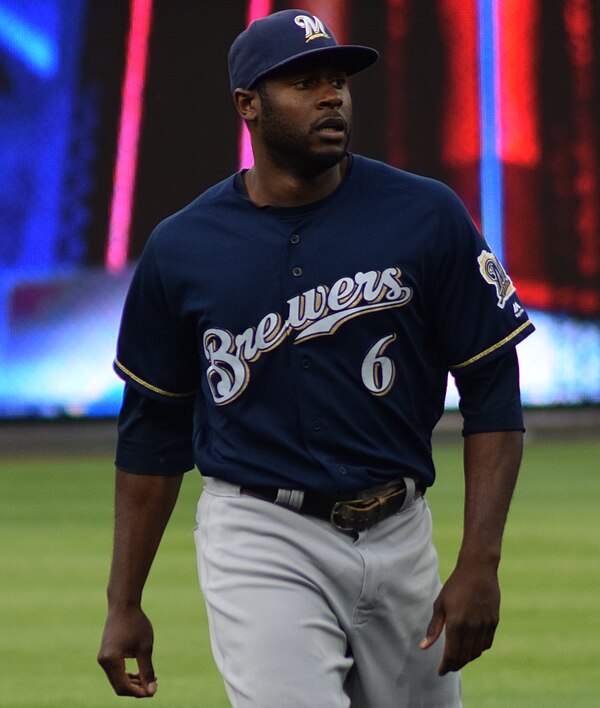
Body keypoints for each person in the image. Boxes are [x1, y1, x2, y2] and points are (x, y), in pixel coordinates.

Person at [98, 9, 534, 707]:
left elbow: (491, 386)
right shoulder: (184, 249)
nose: (332, 95)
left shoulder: (425, 215)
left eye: (337, 79)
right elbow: (151, 430)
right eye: (304, 82)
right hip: (261, 531)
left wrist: (480, 560)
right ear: (248, 105)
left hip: (401, 529)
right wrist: (124, 600)